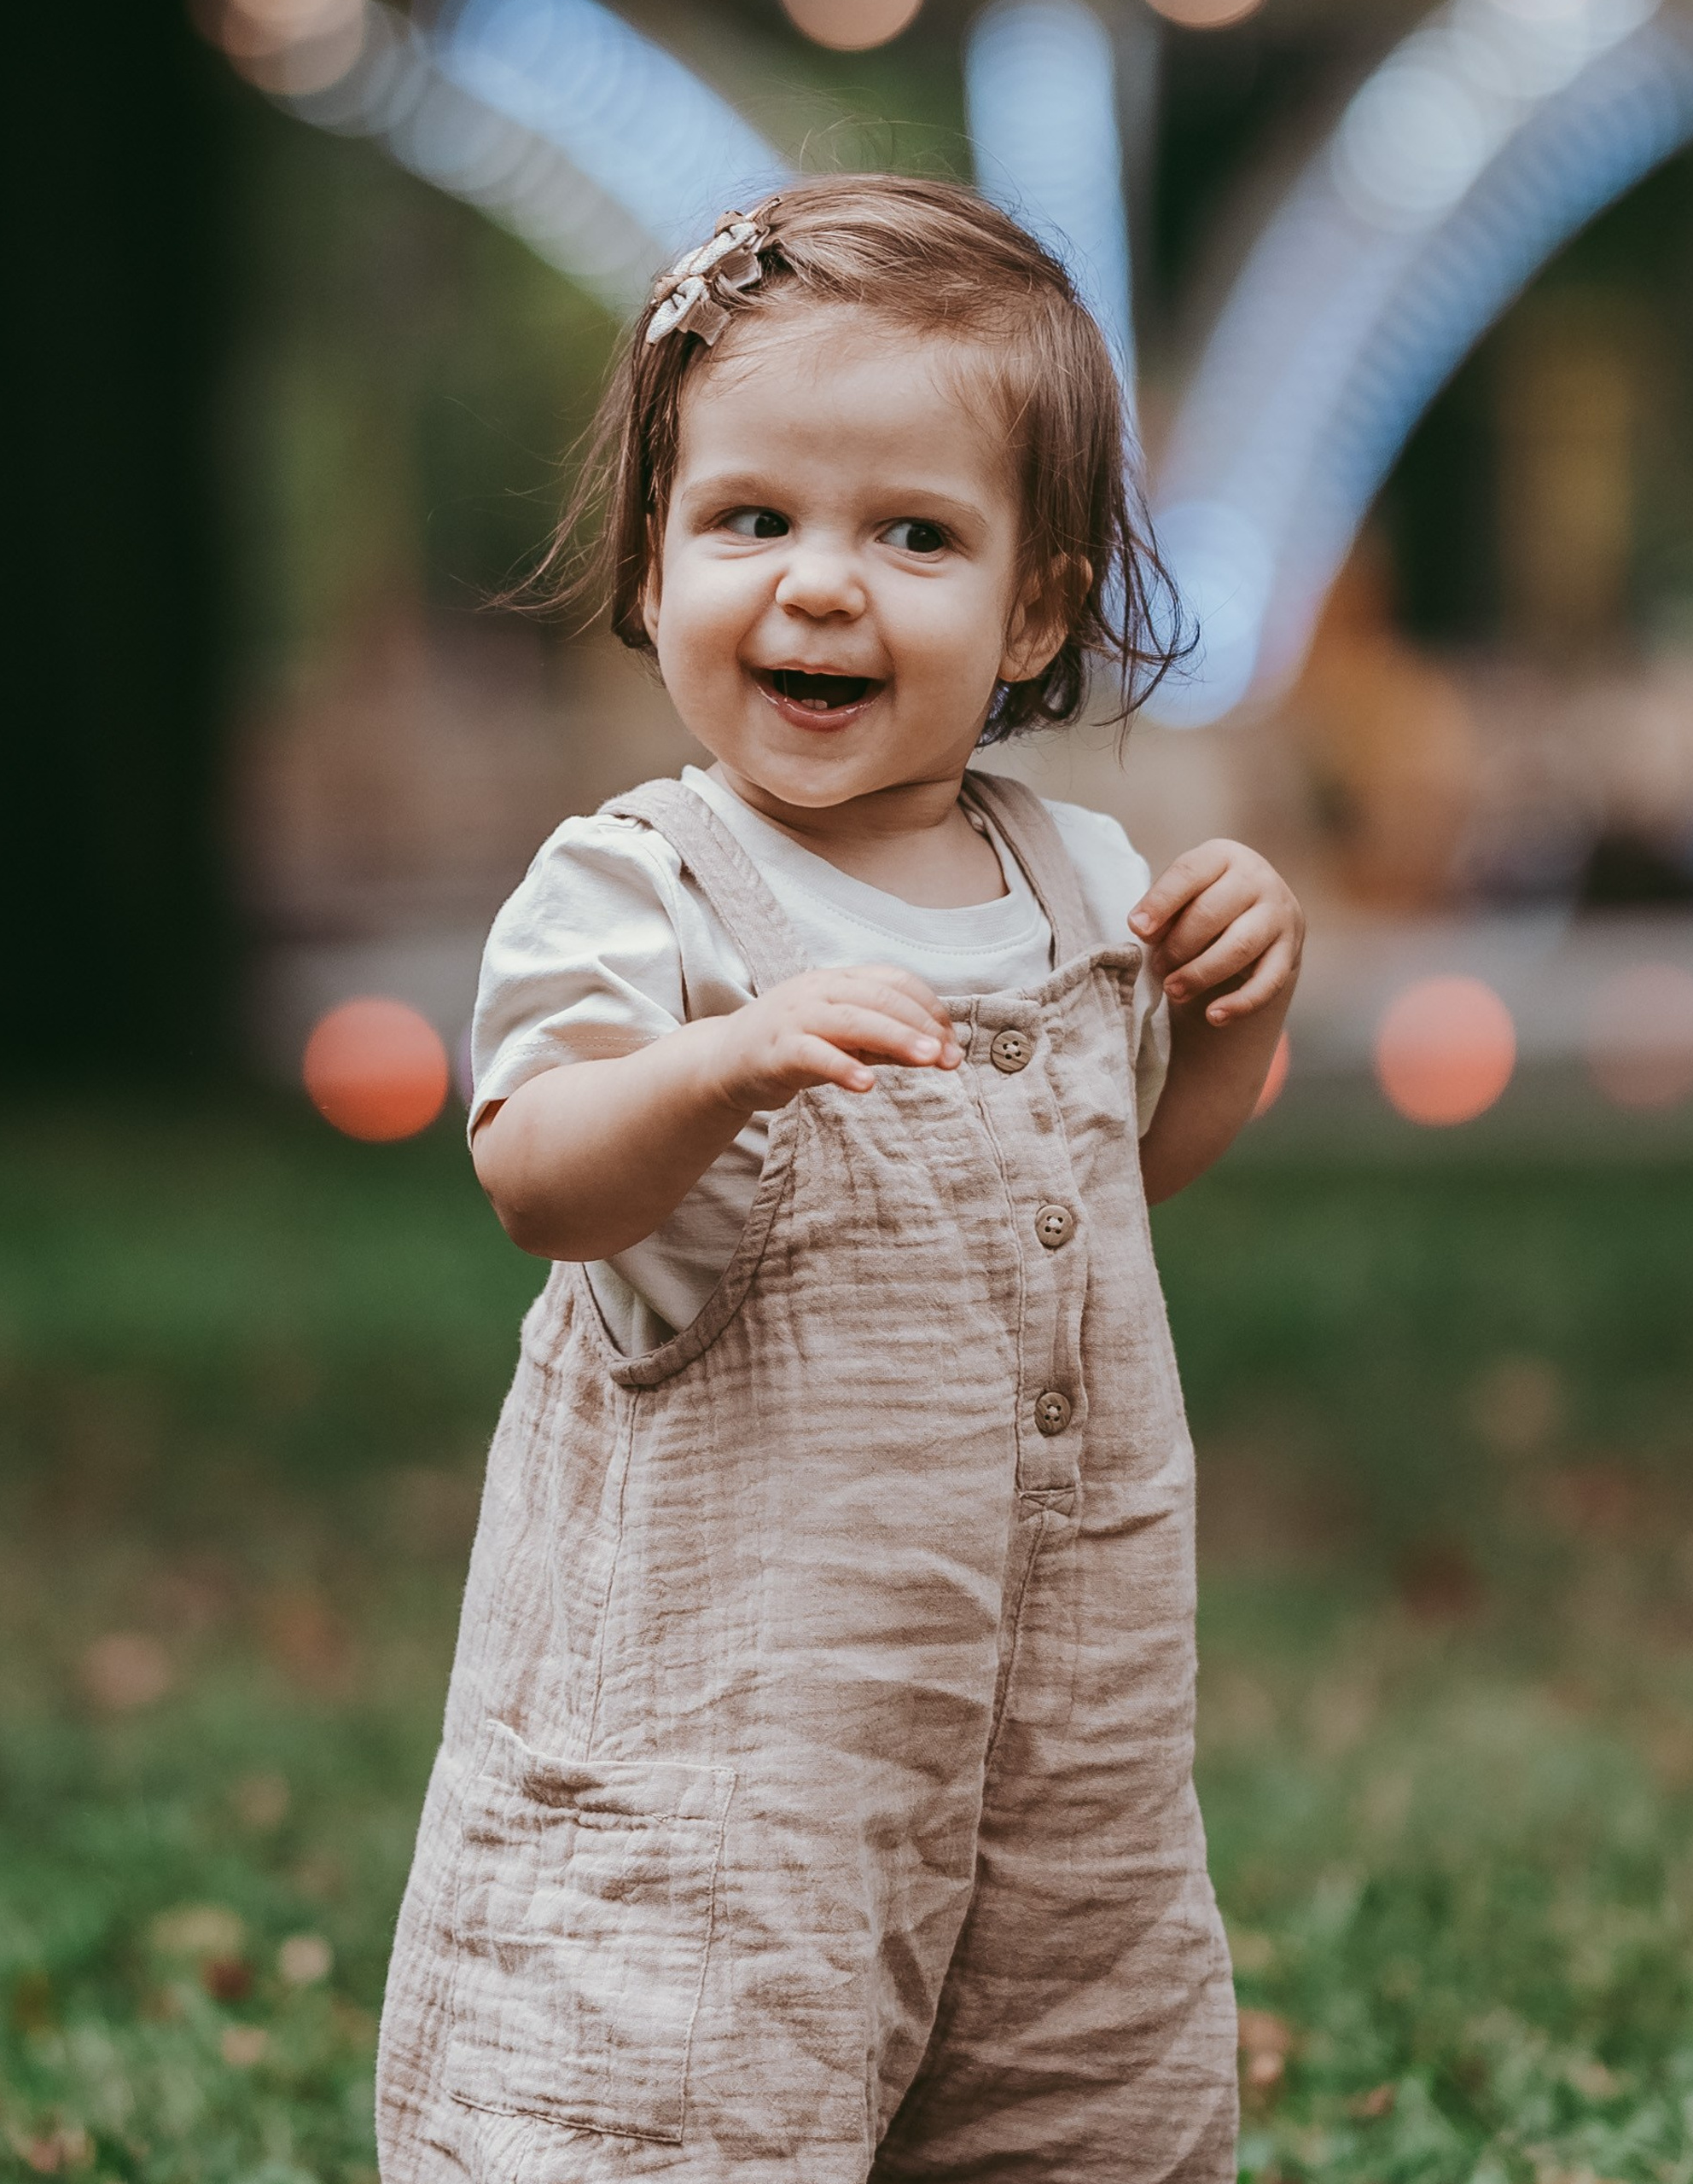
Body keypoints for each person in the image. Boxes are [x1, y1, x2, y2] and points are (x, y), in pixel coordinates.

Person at [375, 175, 1303, 2183]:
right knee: (688, 2093)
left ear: (1034, 608)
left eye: (912, 535)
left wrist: (1230, 1021)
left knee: (1068, 2088)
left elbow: (1113, 1182)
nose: (819, 586)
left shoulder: (1075, 879)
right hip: (729, 1751)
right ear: (652, 558)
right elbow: (538, 1173)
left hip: (1060, 1742)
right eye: (751, 519)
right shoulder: (639, 888)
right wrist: (715, 1064)